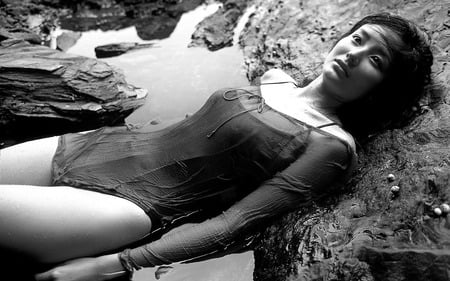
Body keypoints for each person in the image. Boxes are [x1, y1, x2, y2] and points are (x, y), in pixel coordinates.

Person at [0, 13, 433, 281]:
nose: (355, 55)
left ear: (382, 89)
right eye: (359, 39)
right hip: (98, 146)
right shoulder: (274, 78)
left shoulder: (332, 147)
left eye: (376, 60)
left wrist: (114, 264)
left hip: (129, 208)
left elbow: (235, 223)